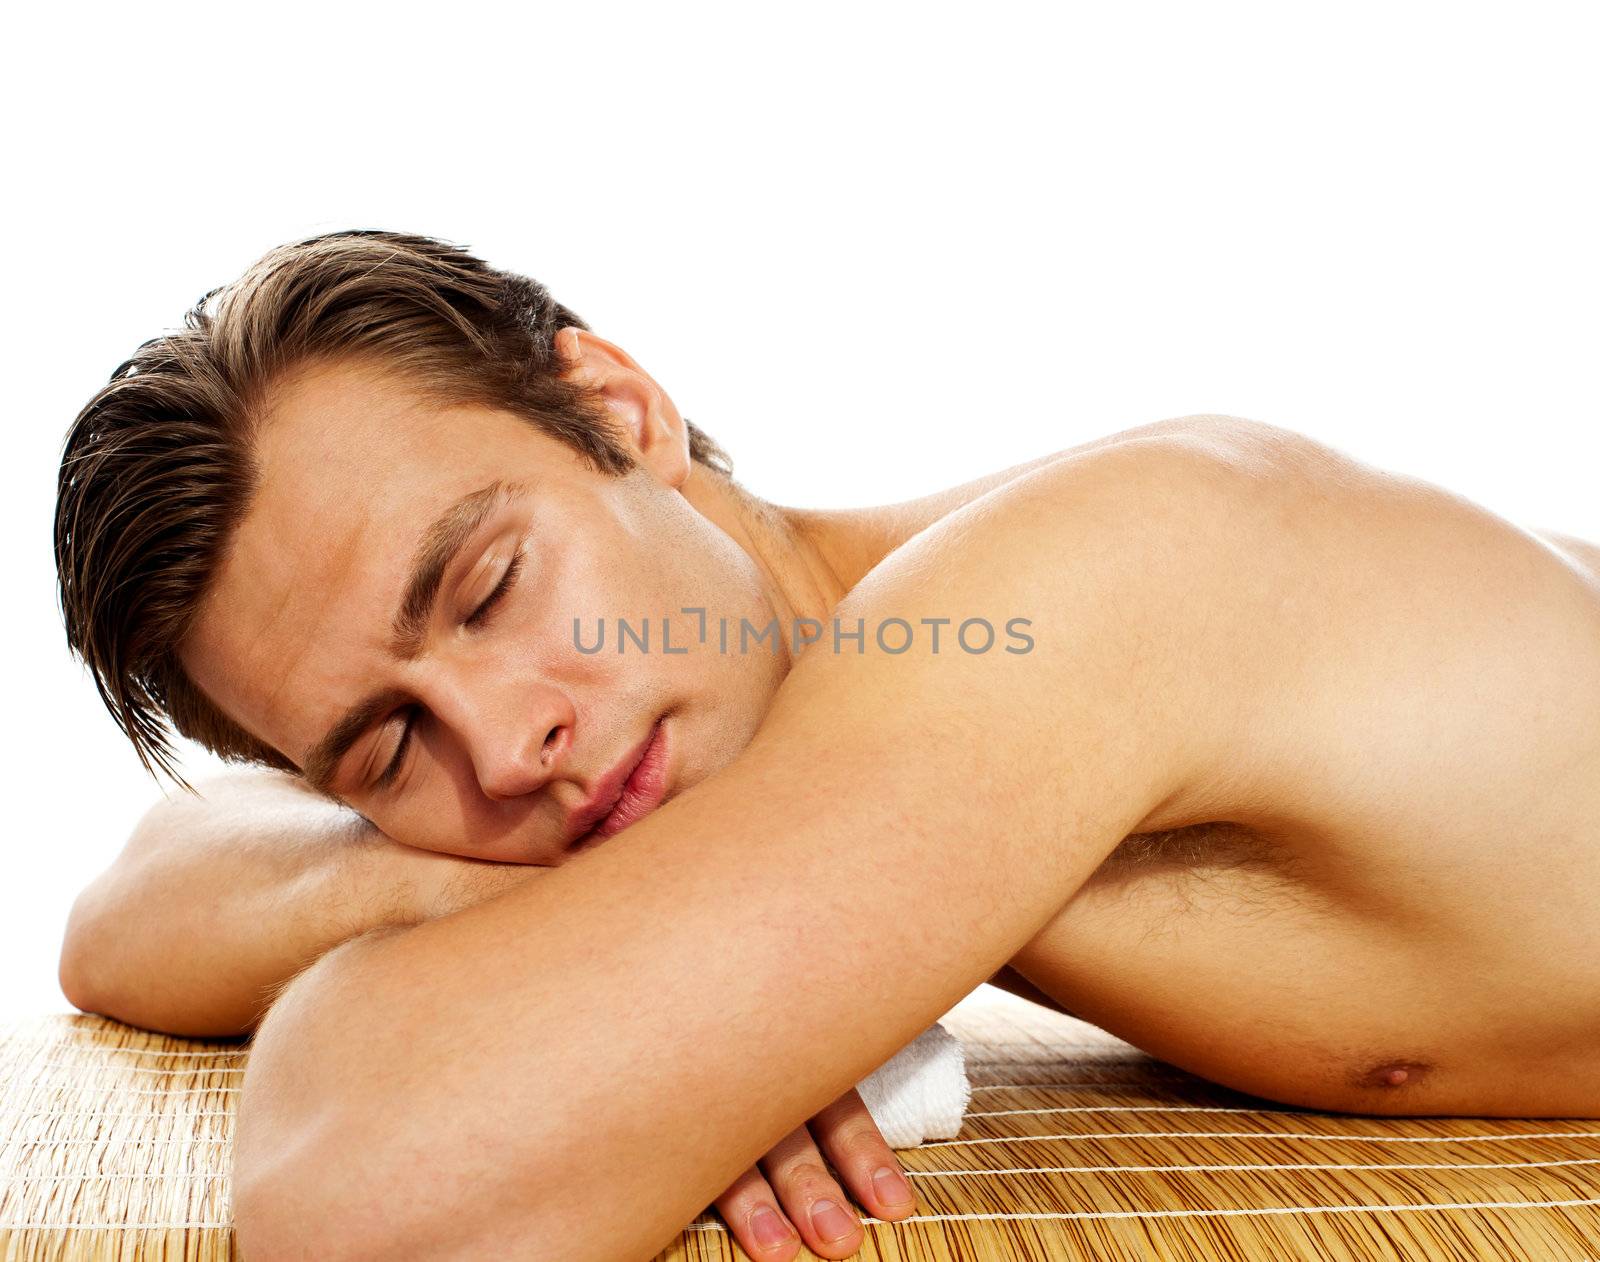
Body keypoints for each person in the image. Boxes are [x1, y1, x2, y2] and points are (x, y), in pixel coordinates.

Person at [53, 229, 1600, 1262]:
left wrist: (569, 973)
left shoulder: (1085, 588)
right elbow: (125, 913)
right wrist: (427, 889)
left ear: (619, 408)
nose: (508, 744)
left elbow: (360, 1185)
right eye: (388, 750)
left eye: (490, 586)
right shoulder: (812, 737)